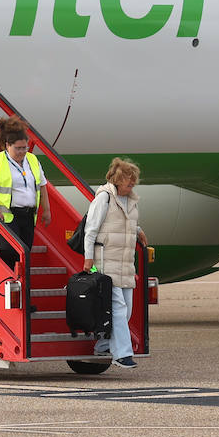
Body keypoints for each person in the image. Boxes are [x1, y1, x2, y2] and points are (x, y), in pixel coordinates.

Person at [81, 157, 148, 370]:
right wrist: (88, 257)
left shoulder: (131, 200)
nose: (132, 185)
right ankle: (122, 354)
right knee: (118, 308)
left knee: (126, 310)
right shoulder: (104, 198)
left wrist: (138, 231)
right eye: (129, 182)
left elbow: (126, 222)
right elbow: (91, 229)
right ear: (118, 181)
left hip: (126, 262)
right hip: (106, 262)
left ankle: (102, 346)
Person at [0, 116, 49, 269]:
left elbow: (42, 185)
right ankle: (1, 275)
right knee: (11, 249)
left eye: (25, 147)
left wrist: (46, 209)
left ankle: (17, 284)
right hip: (7, 215)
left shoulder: (32, 160)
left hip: (28, 215)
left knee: (25, 252)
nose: (22, 152)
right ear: (7, 145)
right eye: (18, 148)